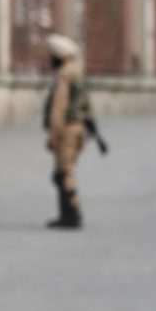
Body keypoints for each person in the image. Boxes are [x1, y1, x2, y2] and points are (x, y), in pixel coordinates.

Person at [43, 32, 100, 229]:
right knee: (64, 171)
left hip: (66, 130)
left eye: (51, 56)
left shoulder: (65, 75)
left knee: (64, 173)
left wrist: (53, 134)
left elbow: (59, 108)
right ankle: (67, 214)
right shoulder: (77, 72)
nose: (49, 59)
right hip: (77, 128)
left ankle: (71, 215)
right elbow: (87, 106)